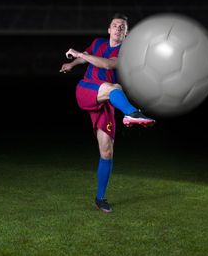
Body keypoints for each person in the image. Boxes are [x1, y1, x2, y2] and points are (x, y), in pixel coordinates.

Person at [60, 13, 155, 213]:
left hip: (108, 99)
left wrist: (80, 55)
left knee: (107, 152)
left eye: (123, 27)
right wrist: (72, 63)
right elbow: (85, 58)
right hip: (87, 89)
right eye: (115, 25)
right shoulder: (98, 43)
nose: (119, 28)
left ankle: (100, 198)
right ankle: (132, 112)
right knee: (115, 87)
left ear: (127, 34)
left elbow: (107, 64)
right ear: (109, 29)